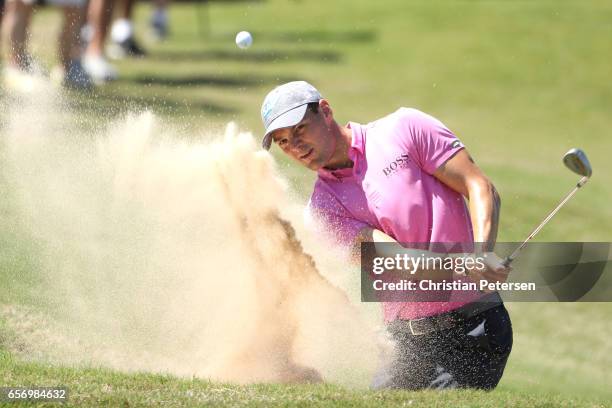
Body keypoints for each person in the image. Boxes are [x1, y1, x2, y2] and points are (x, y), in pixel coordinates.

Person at [259, 81, 513, 390]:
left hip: (473, 326)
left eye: (299, 130)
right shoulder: (322, 211)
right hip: (406, 342)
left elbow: (479, 186)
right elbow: (396, 261)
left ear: (325, 111)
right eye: (283, 141)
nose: (295, 146)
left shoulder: (405, 128)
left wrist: (482, 251)